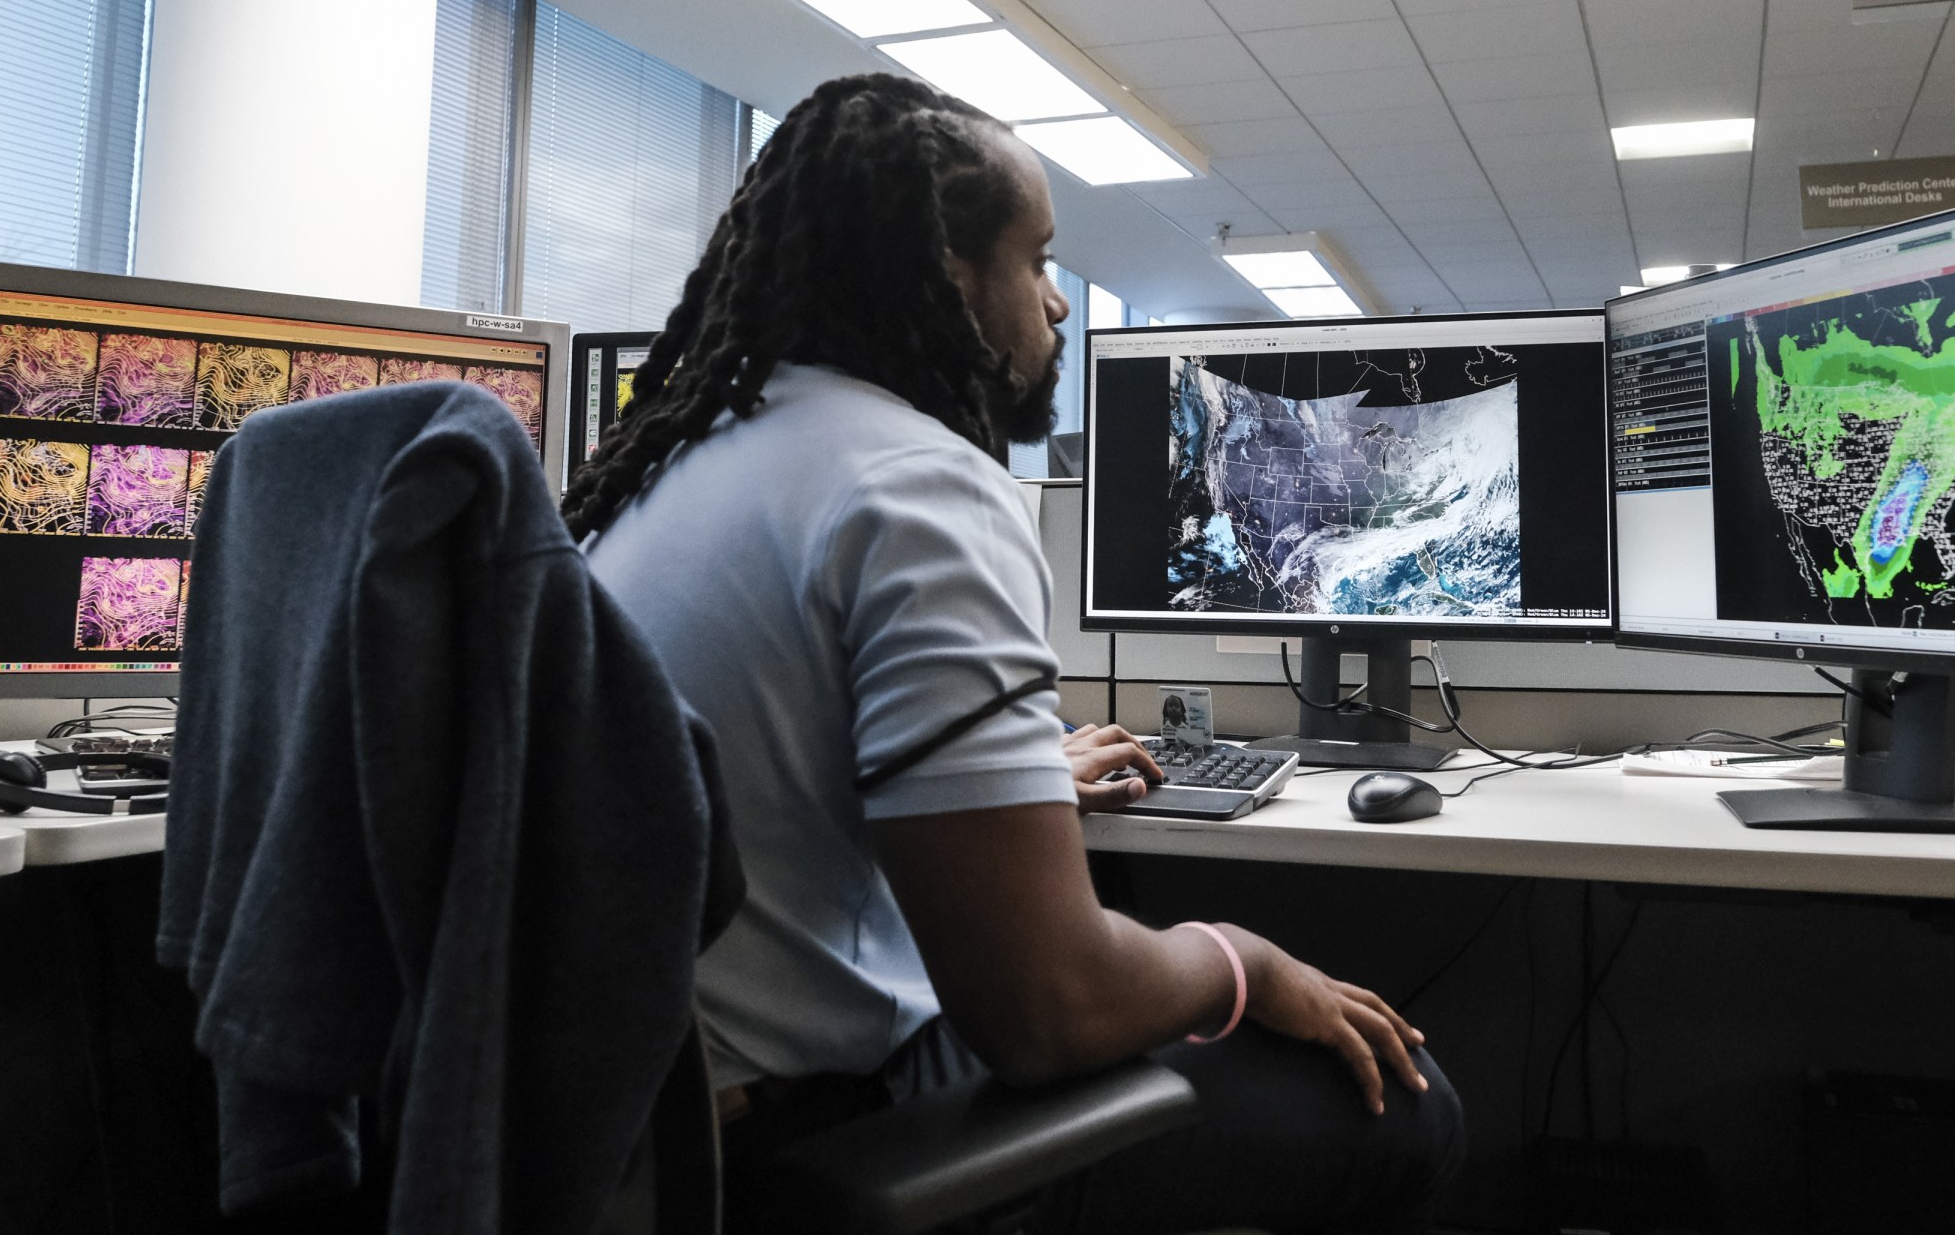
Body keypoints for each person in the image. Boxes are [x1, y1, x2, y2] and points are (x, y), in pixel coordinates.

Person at [573, 74, 1463, 1233]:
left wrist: (1011, 771)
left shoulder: (680, 464)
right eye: (1037, 260)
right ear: (950, 276)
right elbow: (1045, 1012)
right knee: (1409, 1107)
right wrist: (1243, 955)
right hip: (796, 1137)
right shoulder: (920, 487)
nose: (1056, 305)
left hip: (632, 1124)